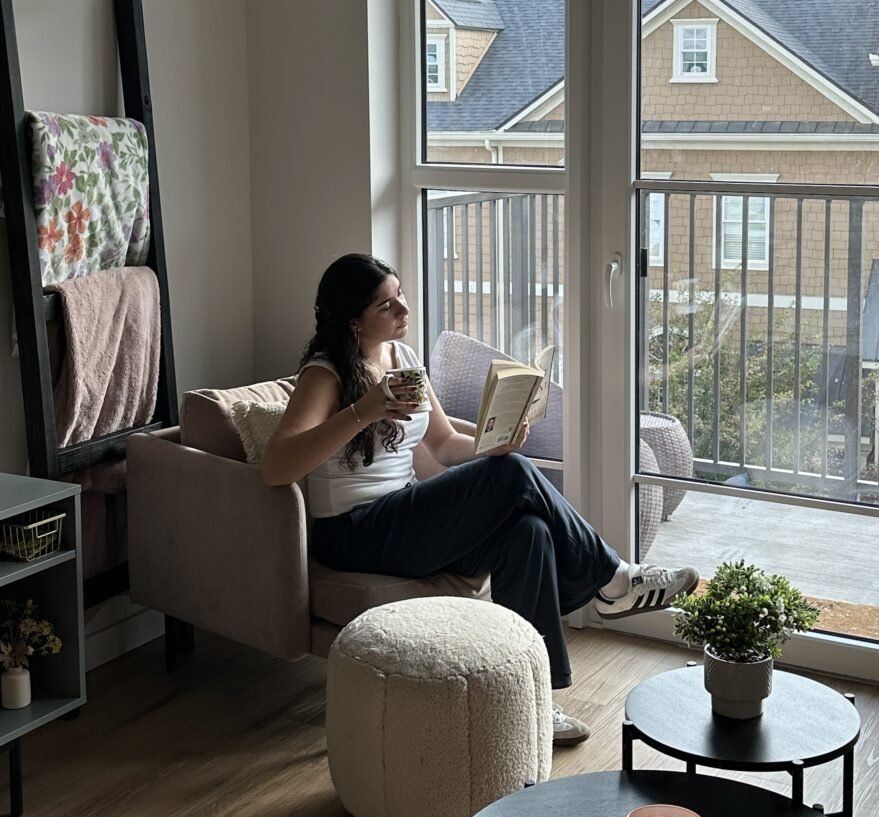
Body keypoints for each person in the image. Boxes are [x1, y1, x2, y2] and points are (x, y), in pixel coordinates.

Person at [262, 254, 699, 746]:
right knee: (510, 476)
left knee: (525, 533)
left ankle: (534, 698)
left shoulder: (403, 360)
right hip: (353, 531)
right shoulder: (325, 375)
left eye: (400, 293)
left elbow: (446, 444)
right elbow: (278, 466)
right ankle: (613, 580)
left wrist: (499, 442)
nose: (404, 309)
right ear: (352, 320)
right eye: (387, 305)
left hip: (402, 514)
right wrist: (364, 411)